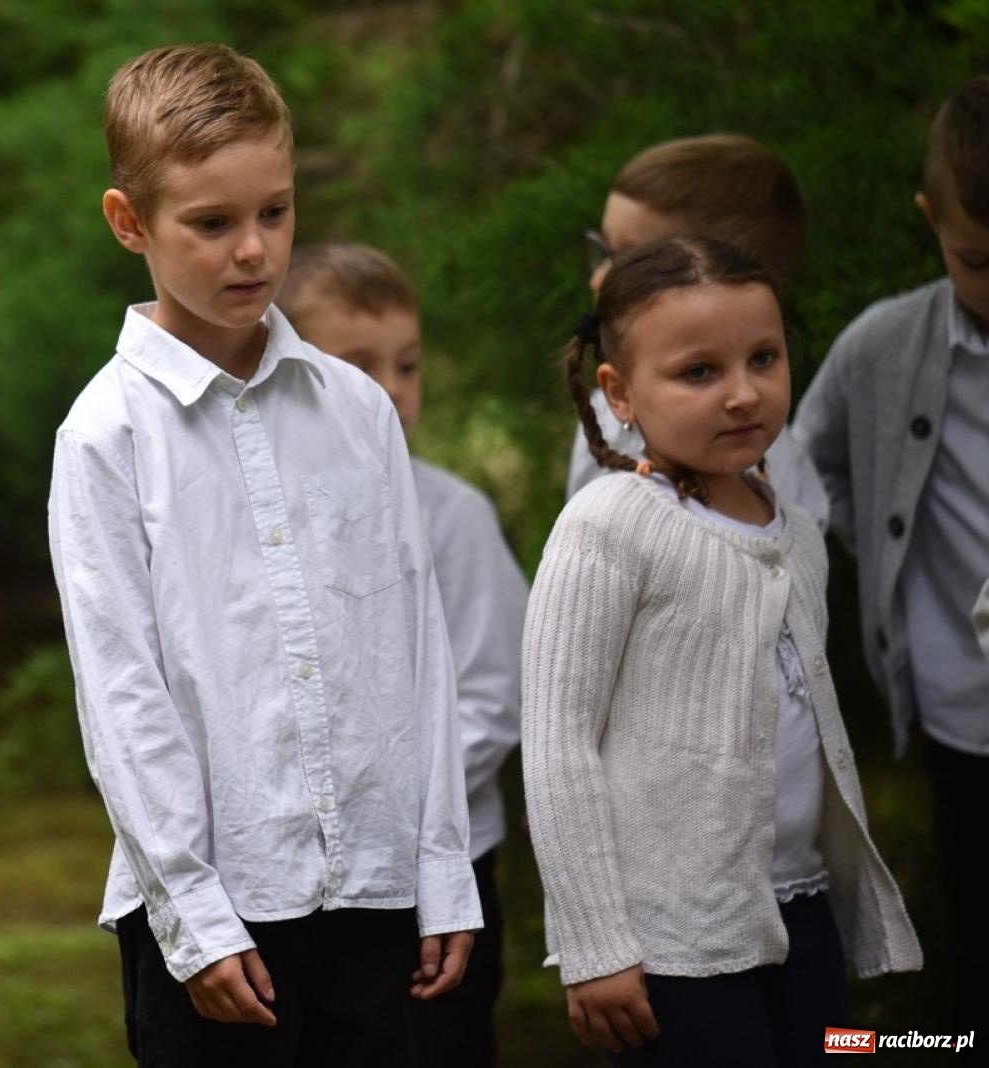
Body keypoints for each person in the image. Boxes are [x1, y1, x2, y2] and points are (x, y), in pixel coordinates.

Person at [49, 44, 481, 1066]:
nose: (252, 250)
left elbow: (414, 649)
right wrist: (194, 914)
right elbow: (122, 694)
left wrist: (442, 866)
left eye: (274, 213)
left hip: (375, 896)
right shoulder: (106, 435)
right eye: (210, 224)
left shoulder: (358, 409)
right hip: (217, 914)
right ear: (128, 222)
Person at [525, 235, 921, 1065]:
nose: (743, 394)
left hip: (798, 908)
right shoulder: (608, 529)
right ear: (620, 392)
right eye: (699, 372)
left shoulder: (799, 536)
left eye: (763, 359)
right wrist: (597, 942)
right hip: (672, 938)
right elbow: (560, 742)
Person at [277, 243, 525, 1068]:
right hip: (306, 869)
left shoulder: (453, 515)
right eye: (357, 366)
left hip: (439, 862)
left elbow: (494, 695)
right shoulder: (269, 521)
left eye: (407, 365)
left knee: (438, 1045)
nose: (389, 391)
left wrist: (385, 792)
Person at [794, 74, 989, 1046]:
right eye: (977, 261)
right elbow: (801, 469)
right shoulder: (882, 349)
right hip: (965, 718)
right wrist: (876, 550)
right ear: (930, 224)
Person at [565, 134, 827, 528]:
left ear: (715, 271)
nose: (599, 278)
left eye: (631, 259)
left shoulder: (775, 476)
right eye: (602, 250)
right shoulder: (603, 419)